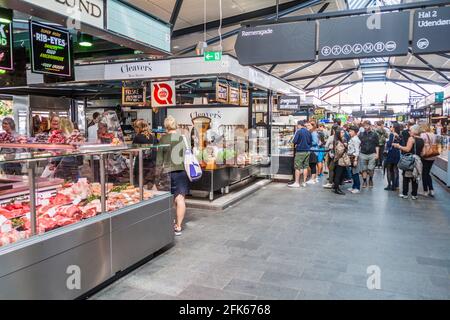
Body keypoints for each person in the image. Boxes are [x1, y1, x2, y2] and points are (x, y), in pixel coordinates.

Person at [156, 116, 188, 236]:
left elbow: (159, 161)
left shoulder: (163, 139)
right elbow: (186, 155)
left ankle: (169, 222)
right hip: (181, 171)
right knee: (180, 199)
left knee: (168, 199)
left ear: (166, 126)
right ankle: (178, 226)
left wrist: (156, 176)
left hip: (168, 172)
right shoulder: (181, 138)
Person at [393, 125, 424, 200]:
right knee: (415, 176)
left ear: (414, 131)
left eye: (410, 130)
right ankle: (414, 194)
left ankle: (405, 193)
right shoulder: (422, 140)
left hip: (410, 160)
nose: (409, 132)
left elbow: (407, 149)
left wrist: (398, 146)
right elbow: (423, 153)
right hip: (418, 160)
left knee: (406, 177)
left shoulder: (411, 139)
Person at [133, 119, 157, 189]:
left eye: (135, 127)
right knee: (150, 186)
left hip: (141, 165)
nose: (135, 129)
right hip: (152, 165)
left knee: (140, 187)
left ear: (139, 128)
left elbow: (135, 153)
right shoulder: (153, 137)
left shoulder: (137, 137)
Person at [289, 121, 312, 188]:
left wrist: (296, 145)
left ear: (299, 125)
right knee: (305, 166)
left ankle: (297, 182)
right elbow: (310, 142)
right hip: (307, 151)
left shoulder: (299, 131)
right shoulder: (308, 131)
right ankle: (304, 182)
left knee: (297, 167)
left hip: (300, 151)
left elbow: (294, 141)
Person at [358, 120, 379, 188]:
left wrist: (377, 154)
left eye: (367, 125)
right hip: (363, 153)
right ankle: (364, 181)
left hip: (372, 153)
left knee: (371, 169)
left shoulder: (374, 134)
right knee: (364, 169)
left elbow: (377, 145)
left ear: (370, 125)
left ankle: (370, 179)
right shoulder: (361, 134)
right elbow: (358, 144)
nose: (365, 127)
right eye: (364, 125)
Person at [420, 123, 437, 197]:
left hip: (425, 155)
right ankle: (431, 190)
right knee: (427, 173)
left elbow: (421, 144)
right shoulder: (433, 135)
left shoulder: (423, 135)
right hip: (432, 155)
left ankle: (425, 191)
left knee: (424, 173)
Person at [332, 128, 351, 195]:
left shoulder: (341, 140)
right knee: (338, 175)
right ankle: (337, 188)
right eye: (342, 133)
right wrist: (344, 147)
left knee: (339, 174)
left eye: (343, 132)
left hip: (340, 160)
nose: (343, 134)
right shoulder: (338, 142)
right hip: (340, 160)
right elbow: (339, 152)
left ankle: (335, 187)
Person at [384, 123, 402, 191]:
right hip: (397, 153)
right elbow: (402, 144)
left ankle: (389, 185)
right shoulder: (400, 135)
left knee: (389, 169)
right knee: (395, 169)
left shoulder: (392, 134)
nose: (390, 127)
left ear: (394, 128)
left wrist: (387, 142)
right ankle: (395, 185)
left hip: (391, 153)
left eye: (391, 126)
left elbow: (389, 143)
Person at [323, 125, 339, 189]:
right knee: (336, 169)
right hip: (339, 155)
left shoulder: (331, 137)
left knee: (331, 168)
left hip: (332, 155)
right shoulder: (341, 137)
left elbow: (326, 146)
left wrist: (329, 149)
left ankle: (330, 182)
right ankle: (336, 182)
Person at [347, 126, 361, 194]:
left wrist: (355, 160)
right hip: (351, 157)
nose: (349, 132)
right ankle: (354, 186)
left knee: (355, 173)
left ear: (355, 132)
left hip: (354, 158)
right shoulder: (353, 138)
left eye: (351, 131)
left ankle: (357, 187)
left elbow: (357, 150)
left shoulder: (355, 139)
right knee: (353, 172)